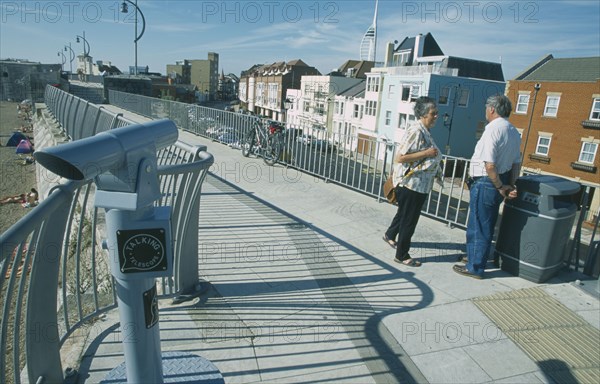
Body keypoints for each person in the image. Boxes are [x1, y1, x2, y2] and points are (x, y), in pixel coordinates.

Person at [453, 94, 521, 279]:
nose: (485, 111)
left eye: (486, 108)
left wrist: (500, 186)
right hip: (500, 180)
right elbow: (516, 164)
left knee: (478, 224)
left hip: (487, 182)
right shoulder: (514, 131)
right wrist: (510, 185)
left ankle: (475, 267)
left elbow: (489, 165)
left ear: (492, 109)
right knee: (485, 222)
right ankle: (475, 256)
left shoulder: (493, 129)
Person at [383, 97, 443, 267]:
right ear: (424, 114)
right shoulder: (416, 131)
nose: (437, 116)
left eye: (437, 113)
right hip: (412, 185)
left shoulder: (423, 130)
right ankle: (402, 255)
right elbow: (400, 157)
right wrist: (427, 153)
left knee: (404, 213)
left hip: (417, 184)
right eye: (434, 113)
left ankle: (389, 235)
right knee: (409, 220)